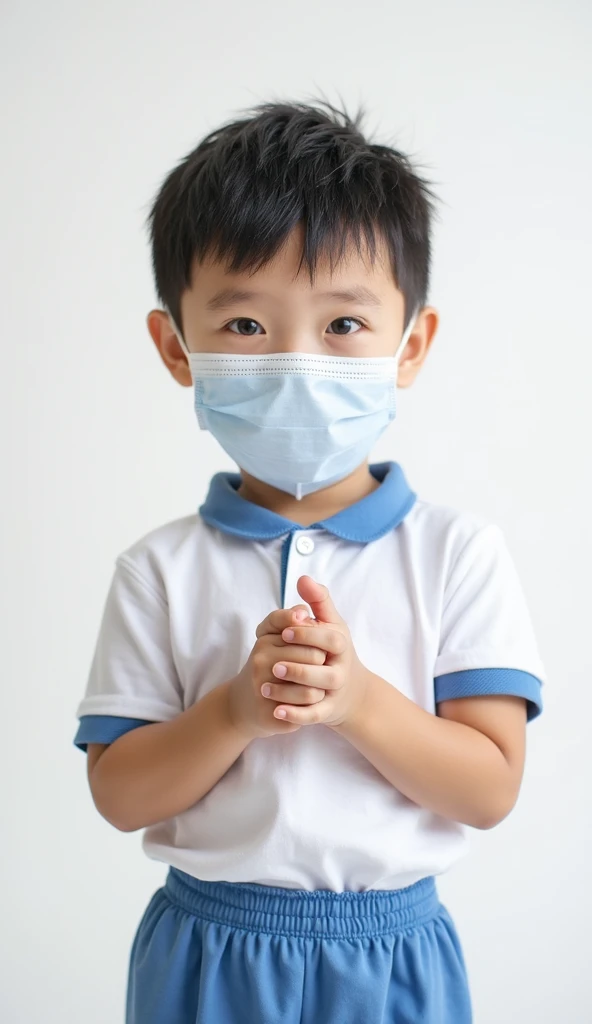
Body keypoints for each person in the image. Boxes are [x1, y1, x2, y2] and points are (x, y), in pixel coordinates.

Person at [74, 100, 544, 1024]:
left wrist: (360, 701)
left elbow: (489, 787)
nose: (295, 362)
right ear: (178, 349)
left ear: (410, 346)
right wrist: (236, 712)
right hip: (208, 953)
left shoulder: (457, 553)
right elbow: (121, 793)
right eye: (245, 326)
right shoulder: (158, 568)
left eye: (342, 327)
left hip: (391, 956)